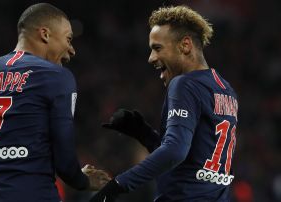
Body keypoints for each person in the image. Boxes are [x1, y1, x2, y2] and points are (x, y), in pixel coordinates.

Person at [0, 3, 110, 202]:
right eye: (68, 39)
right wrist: (83, 181)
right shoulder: (56, 77)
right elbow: (66, 166)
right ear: (45, 34)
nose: (72, 50)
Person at [91, 5, 238, 202]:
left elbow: (175, 151)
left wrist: (118, 185)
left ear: (185, 45)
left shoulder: (185, 84)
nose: (151, 58)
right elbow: (192, 160)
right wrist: (144, 134)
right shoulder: (225, 89)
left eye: (157, 48)